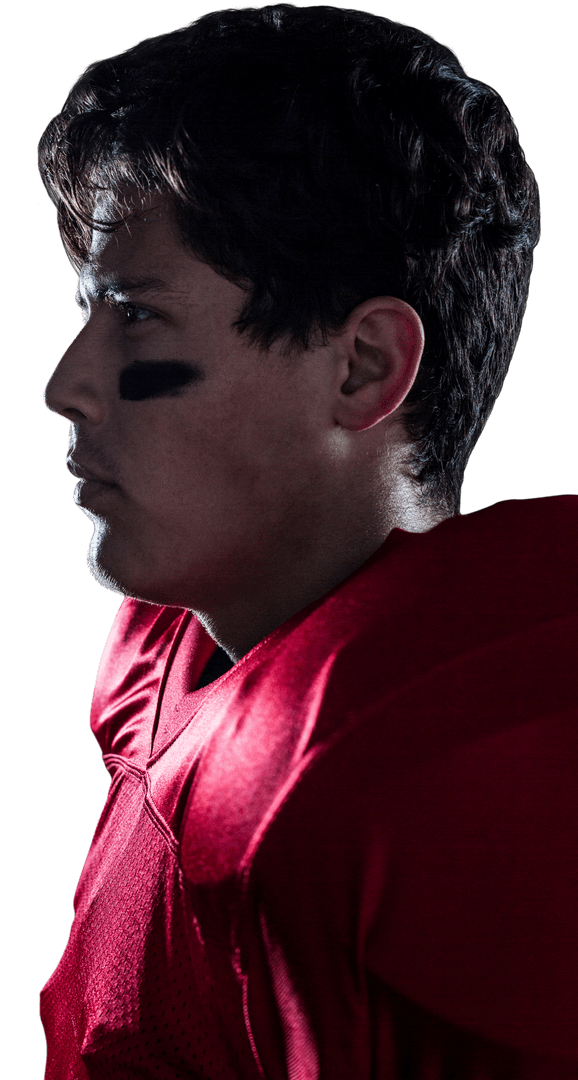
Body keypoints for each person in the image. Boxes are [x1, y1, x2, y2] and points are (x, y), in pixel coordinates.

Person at [38, 4, 577, 1078]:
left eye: (135, 314)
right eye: (86, 311)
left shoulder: (420, 787)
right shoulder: (176, 650)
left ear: (361, 367)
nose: (66, 387)